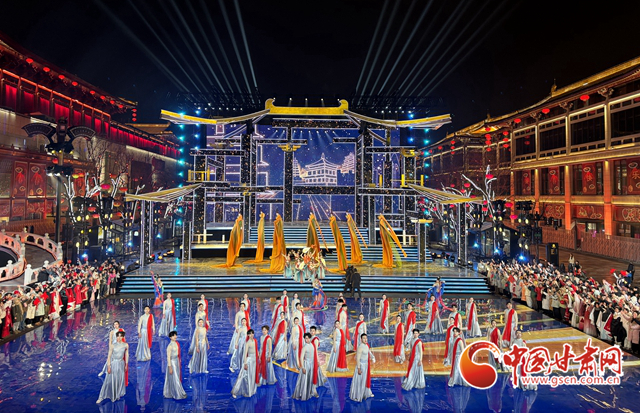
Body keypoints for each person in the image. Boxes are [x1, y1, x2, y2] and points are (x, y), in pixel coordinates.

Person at [96, 330, 129, 404]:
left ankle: (117, 394)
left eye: (120, 336)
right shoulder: (113, 345)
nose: (119, 338)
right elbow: (109, 356)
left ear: (123, 337)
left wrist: (126, 364)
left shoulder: (125, 345)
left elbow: (127, 355)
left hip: (121, 364)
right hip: (114, 363)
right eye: (118, 336)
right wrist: (108, 366)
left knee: (119, 379)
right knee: (109, 380)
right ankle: (102, 396)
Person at [232, 329, 259, 398]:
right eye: (250, 334)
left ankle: (251, 390)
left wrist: (258, 356)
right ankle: (237, 391)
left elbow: (256, 350)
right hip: (249, 360)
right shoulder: (247, 343)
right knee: (245, 376)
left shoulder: (255, 341)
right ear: (248, 335)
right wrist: (245, 363)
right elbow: (245, 354)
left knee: (252, 375)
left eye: (252, 333)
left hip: (254, 360)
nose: (251, 335)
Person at [293, 333, 320, 401]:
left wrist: (317, 361)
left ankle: (310, 392)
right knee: (304, 380)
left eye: (307, 338)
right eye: (305, 338)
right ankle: (303, 394)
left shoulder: (313, 345)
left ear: (310, 338)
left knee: (310, 379)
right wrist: (303, 367)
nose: (306, 340)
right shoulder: (304, 347)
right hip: (306, 365)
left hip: (312, 364)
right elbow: (301, 358)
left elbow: (315, 353)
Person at [349, 333, 376, 402]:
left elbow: (369, 352)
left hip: (366, 366)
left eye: (366, 338)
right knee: (359, 381)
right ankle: (357, 396)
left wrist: (373, 358)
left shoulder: (366, 346)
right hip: (361, 366)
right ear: (361, 339)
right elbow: (357, 359)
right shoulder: (360, 347)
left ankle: (364, 393)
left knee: (364, 381)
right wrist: (358, 368)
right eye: (364, 338)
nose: (365, 339)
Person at [163, 331, 187, 399]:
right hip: (172, 362)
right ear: (170, 337)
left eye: (175, 335)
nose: (175, 337)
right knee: (175, 377)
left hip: (176, 361)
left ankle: (176, 391)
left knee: (177, 376)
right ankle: (177, 393)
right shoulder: (169, 346)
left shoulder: (177, 343)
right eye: (173, 336)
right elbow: (168, 358)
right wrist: (170, 367)